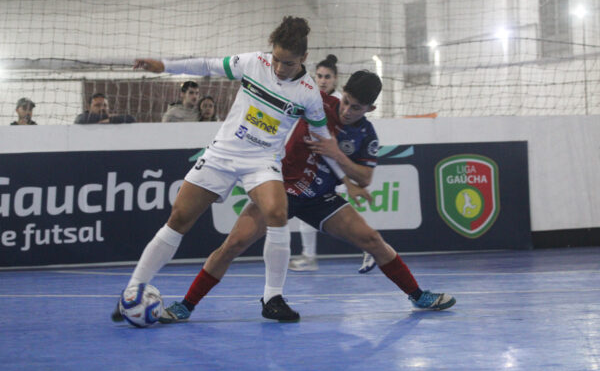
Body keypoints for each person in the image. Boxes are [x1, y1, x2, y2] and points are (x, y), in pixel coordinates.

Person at [158, 71, 456, 324]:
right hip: (280, 189)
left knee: (372, 239)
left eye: (356, 108)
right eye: (347, 102)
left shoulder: (367, 134)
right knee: (233, 244)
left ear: (371, 108)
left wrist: (337, 154)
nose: (347, 111)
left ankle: (418, 296)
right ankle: (186, 305)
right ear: (343, 93)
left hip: (320, 199)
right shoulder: (318, 102)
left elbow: (364, 178)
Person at [112, 16, 346, 323]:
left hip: (262, 162)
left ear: (303, 58)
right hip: (223, 154)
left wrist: (344, 175)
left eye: (287, 63)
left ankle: (272, 298)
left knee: (277, 213)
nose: (278, 68)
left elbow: (321, 137)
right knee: (178, 218)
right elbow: (208, 65)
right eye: (275, 59)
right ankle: (132, 292)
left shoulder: (308, 93)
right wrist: (165, 66)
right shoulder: (252, 63)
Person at [290, 54, 376, 274]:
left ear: (336, 79)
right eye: (319, 76)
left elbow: (331, 150)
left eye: (327, 77)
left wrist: (347, 180)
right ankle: (309, 257)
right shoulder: (318, 99)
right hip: (312, 168)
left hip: (324, 171)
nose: (323, 80)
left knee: (296, 210)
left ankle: (367, 245)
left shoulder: (339, 104)